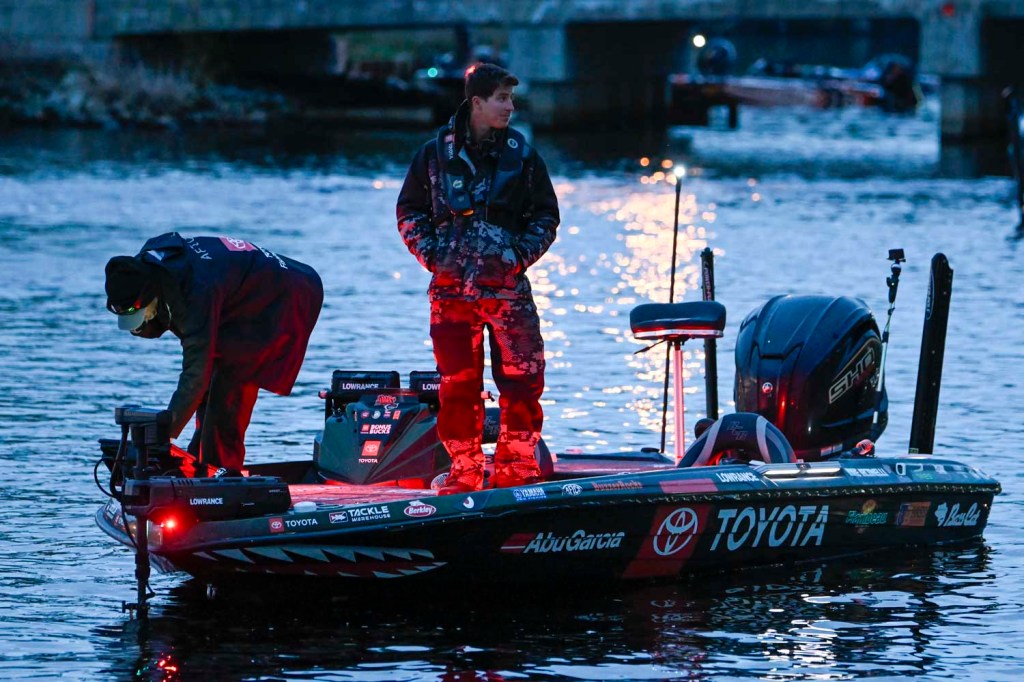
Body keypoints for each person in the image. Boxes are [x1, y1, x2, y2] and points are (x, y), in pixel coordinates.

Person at [396, 62, 559, 494]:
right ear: (477, 102)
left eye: (511, 98)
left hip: (508, 291)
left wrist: (516, 257)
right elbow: (409, 211)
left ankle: (517, 468)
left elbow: (546, 216)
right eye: (501, 98)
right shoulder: (434, 155)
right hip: (451, 294)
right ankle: (464, 471)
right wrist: (435, 257)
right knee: (457, 386)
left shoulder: (523, 156)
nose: (510, 107)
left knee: (524, 381)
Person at [104, 232, 323, 476]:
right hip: (240, 293)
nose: (139, 322)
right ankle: (201, 465)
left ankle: (222, 473)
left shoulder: (196, 293)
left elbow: (195, 373)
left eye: (140, 313)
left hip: (283, 296)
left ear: (150, 295)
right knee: (210, 386)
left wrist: (162, 435)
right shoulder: (141, 270)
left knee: (229, 388)